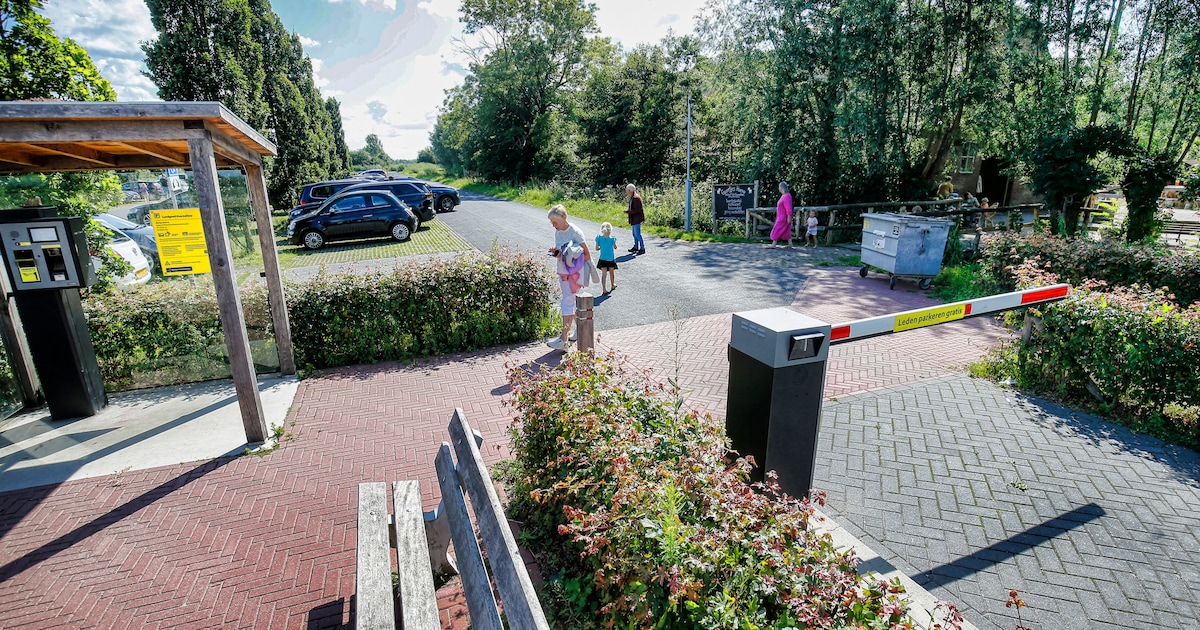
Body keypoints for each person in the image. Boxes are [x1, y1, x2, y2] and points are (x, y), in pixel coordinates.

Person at [547, 204, 590, 350]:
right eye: (552, 223)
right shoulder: (558, 233)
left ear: (564, 218)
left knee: (567, 302)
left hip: (574, 274)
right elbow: (562, 253)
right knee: (570, 302)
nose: (553, 226)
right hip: (563, 271)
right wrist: (557, 253)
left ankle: (563, 339)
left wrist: (578, 272)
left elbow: (586, 254)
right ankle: (581, 331)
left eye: (555, 222)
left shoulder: (575, 232)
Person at [595, 222, 618, 294]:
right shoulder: (612, 239)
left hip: (602, 258)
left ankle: (604, 289)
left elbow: (596, 248)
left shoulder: (599, 238)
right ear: (610, 230)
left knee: (604, 274)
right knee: (611, 272)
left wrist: (600, 248)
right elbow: (615, 247)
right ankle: (612, 284)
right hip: (610, 259)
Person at [769, 181, 793, 248]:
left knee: (776, 229)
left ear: (781, 188)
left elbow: (788, 207)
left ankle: (773, 244)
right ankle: (790, 244)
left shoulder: (787, 196)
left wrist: (789, 216)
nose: (778, 188)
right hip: (781, 216)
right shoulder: (784, 196)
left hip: (783, 217)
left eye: (779, 187)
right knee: (786, 230)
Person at [624, 184, 645, 255]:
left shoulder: (635, 198)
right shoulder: (633, 197)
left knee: (637, 234)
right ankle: (636, 247)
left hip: (637, 218)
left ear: (630, 190)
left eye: (627, 190)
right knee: (634, 234)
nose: (626, 192)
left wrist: (628, 212)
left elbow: (637, 210)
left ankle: (642, 248)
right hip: (634, 218)